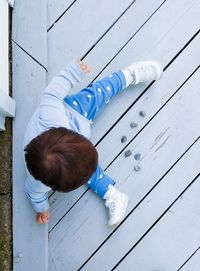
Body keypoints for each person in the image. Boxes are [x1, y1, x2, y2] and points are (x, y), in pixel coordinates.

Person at [24, 59, 163, 227]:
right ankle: (113, 195)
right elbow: (34, 193)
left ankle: (131, 74)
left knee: (99, 93)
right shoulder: (39, 182)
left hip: (74, 110)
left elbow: (51, 93)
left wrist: (72, 73)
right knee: (84, 171)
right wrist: (42, 208)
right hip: (68, 154)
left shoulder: (53, 116)